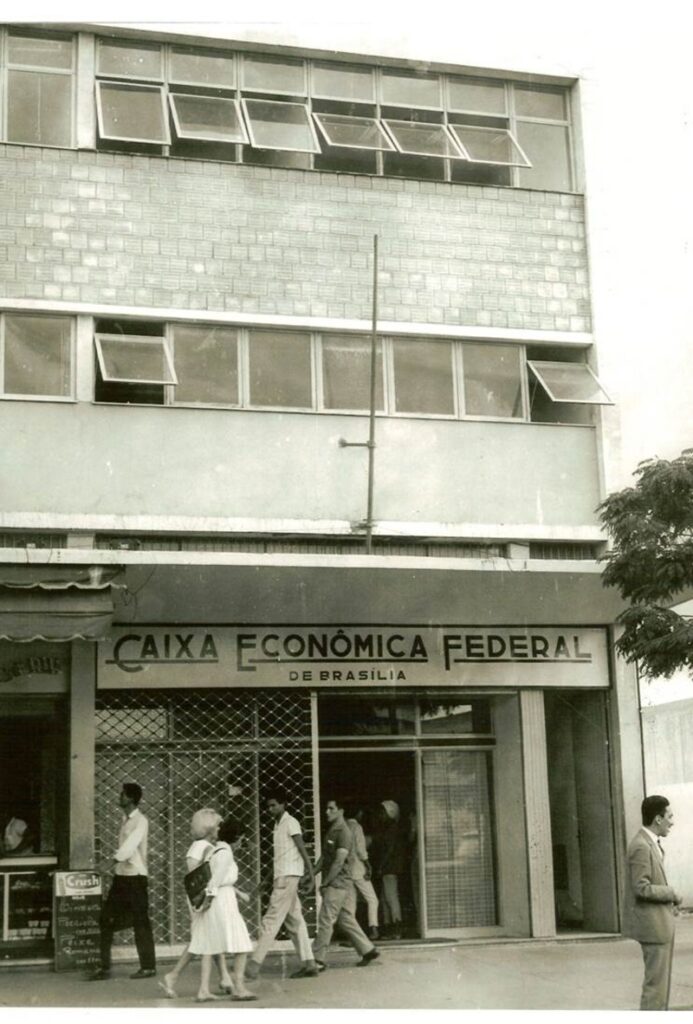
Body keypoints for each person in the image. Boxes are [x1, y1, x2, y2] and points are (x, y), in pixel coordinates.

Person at [158, 808, 235, 999]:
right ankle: (173, 976)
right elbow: (197, 875)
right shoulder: (202, 847)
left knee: (208, 936)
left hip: (204, 896)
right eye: (218, 826)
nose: (220, 829)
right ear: (209, 828)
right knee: (203, 938)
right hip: (203, 898)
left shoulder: (202, 846)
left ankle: (224, 977)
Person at [245, 786, 318, 981]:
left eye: (274, 805)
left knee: (271, 918)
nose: (270, 809)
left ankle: (254, 964)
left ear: (283, 804)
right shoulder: (277, 826)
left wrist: (311, 873)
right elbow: (280, 858)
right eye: (268, 806)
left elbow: (302, 849)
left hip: (288, 877)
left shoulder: (290, 822)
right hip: (284, 876)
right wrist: (266, 881)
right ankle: (309, 962)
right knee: (295, 921)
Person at [89, 782, 156, 981]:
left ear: (131, 798)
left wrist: (110, 862)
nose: (120, 797)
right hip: (122, 876)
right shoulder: (125, 820)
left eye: (123, 795)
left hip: (135, 876)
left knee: (141, 922)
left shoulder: (140, 821)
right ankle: (104, 967)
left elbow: (130, 846)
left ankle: (148, 967)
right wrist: (114, 865)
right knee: (106, 919)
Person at [622, 794, 682, 1011]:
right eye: (669, 816)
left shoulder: (649, 843)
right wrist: (671, 893)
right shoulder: (641, 846)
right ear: (658, 819)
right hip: (654, 928)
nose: (672, 822)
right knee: (656, 988)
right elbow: (641, 887)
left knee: (660, 987)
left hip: (660, 926)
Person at [188, 816, 257, 1002]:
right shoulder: (225, 854)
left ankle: (203, 990)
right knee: (242, 943)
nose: (241, 844)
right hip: (222, 902)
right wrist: (209, 900)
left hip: (217, 900)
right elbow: (215, 881)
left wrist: (206, 902)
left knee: (209, 944)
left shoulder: (214, 851)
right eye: (241, 839)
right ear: (236, 837)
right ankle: (239, 987)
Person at [311, 797, 380, 971]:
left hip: (338, 883)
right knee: (345, 918)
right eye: (327, 808)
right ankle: (367, 949)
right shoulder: (333, 830)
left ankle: (317, 960)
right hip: (341, 883)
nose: (327, 812)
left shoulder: (343, 832)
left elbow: (338, 861)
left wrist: (325, 883)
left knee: (326, 919)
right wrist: (312, 873)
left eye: (331, 808)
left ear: (341, 811)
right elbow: (325, 857)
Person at [371, 800, 407, 939]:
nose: (381, 815)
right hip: (389, 868)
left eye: (383, 812)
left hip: (390, 868)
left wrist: (381, 865)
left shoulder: (392, 829)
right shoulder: (390, 828)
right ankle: (390, 928)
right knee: (386, 898)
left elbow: (389, 850)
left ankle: (396, 929)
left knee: (391, 898)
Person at [343, 807, 379, 941]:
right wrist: (368, 865)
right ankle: (373, 929)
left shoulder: (343, 826)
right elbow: (360, 850)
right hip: (358, 869)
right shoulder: (357, 827)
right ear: (359, 813)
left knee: (351, 904)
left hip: (347, 870)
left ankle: (352, 935)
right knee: (372, 899)